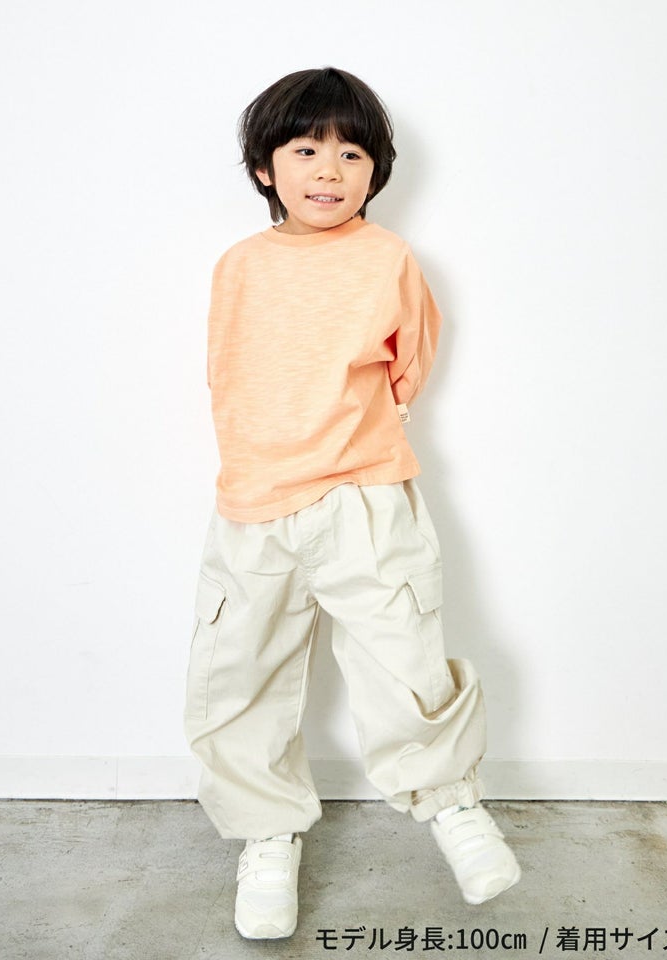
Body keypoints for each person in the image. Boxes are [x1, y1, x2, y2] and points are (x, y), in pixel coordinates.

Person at [184, 66, 520, 941]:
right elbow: (226, 374)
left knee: (402, 651)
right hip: (255, 502)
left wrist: (354, 435)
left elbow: (412, 363)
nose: (329, 170)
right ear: (265, 168)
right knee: (240, 674)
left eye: (351, 153)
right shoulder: (240, 266)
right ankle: (267, 836)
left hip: (364, 494)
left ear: (376, 172)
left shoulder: (388, 260)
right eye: (306, 150)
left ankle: (451, 804)